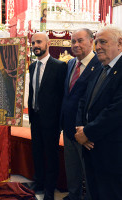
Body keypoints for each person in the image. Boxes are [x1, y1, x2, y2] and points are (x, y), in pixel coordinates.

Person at [75, 26, 122, 199]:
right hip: (92, 147)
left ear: (120, 44)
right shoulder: (100, 68)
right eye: (96, 42)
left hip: (112, 151)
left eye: (103, 42)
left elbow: (116, 112)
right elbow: (84, 101)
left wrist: (87, 132)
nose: (98, 47)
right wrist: (81, 129)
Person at [61, 28, 101, 200]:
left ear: (92, 41)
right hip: (68, 129)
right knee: (72, 171)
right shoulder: (70, 64)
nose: (76, 45)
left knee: (89, 174)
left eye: (80, 40)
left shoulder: (100, 64)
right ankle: (73, 196)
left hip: (86, 132)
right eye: (73, 41)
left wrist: (87, 130)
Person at [28, 32, 67, 200]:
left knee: (51, 156)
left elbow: (62, 95)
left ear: (47, 43)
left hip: (51, 121)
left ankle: (50, 189)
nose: (35, 45)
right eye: (33, 43)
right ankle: (39, 182)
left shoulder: (59, 66)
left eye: (39, 42)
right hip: (35, 118)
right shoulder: (32, 66)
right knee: (37, 152)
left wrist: (59, 122)